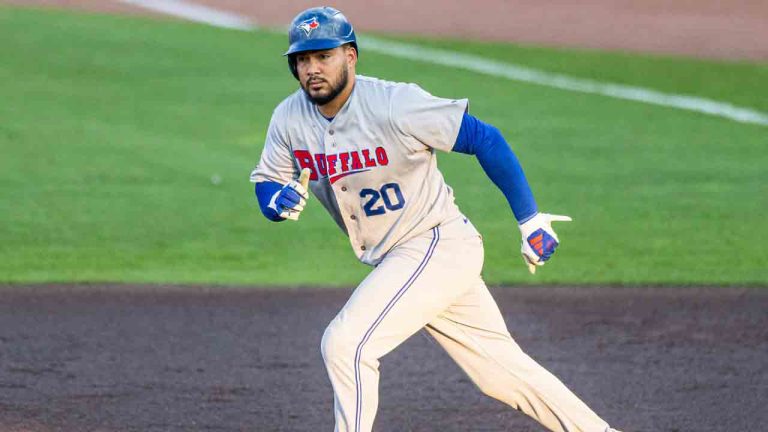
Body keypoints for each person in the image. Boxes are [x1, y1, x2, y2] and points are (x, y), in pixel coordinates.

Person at [250, 6, 623, 432]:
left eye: (323, 56)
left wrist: (529, 219)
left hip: (436, 245)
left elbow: (485, 138)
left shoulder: (395, 104)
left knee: (345, 344)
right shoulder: (289, 118)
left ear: (350, 56)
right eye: (302, 59)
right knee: (501, 373)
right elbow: (268, 181)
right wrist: (274, 201)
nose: (311, 69)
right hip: (408, 260)